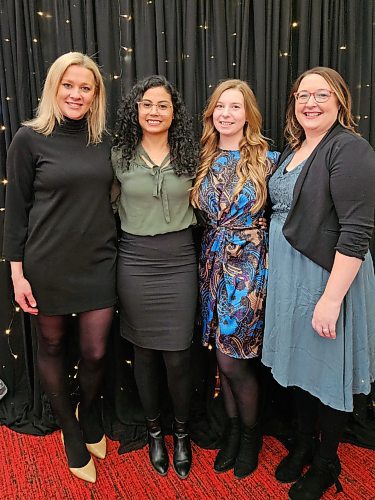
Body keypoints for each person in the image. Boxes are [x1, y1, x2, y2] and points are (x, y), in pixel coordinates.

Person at [3, 52, 117, 483]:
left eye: (85, 87)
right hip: (46, 263)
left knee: (95, 351)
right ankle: (71, 430)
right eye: (68, 85)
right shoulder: (28, 139)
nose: (76, 93)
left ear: (95, 94)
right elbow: (16, 212)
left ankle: (87, 414)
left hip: (99, 261)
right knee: (51, 348)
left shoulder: (106, 140)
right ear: (54, 87)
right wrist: (17, 273)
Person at [262, 67, 375, 499]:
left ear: (340, 101)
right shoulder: (295, 149)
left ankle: (327, 462)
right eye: (302, 95)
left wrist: (331, 300)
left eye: (321, 94)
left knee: (328, 370)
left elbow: (356, 231)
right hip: (291, 278)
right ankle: (304, 445)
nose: (310, 102)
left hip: (330, 278)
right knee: (301, 368)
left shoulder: (349, 148)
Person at [190, 79, 278, 479]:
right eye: (220, 107)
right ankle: (230, 433)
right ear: (212, 114)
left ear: (248, 115)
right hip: (210, 264)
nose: (227, 113)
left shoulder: (267, 159)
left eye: (235, 107)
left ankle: (250, 436)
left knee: (235, 357)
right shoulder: (203, 157)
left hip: (249, 269)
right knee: (218, 357)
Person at [111, 75, 198, 479]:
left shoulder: (193, 154)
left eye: (163, 105)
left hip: (179, 259)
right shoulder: (118, 155)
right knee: (143, 353)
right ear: (136, 109)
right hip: (135, 260)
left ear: (174, 112)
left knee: (179, 354)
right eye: (147, 104)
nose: (154, 111)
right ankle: (154, 433)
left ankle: (181, 433)